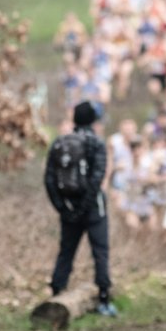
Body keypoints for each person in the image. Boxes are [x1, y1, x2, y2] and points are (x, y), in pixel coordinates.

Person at [45, 101, 117, 316]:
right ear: (94, 120)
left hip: (68, 208)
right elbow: (97, 180)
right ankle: (103, 298)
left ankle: (57, 291)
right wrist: (85, 207)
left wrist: (63, 208)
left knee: (66, 251)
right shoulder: (97, 143)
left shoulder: (59, 143)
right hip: (94, 209)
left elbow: (49, 180)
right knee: (100, 252)